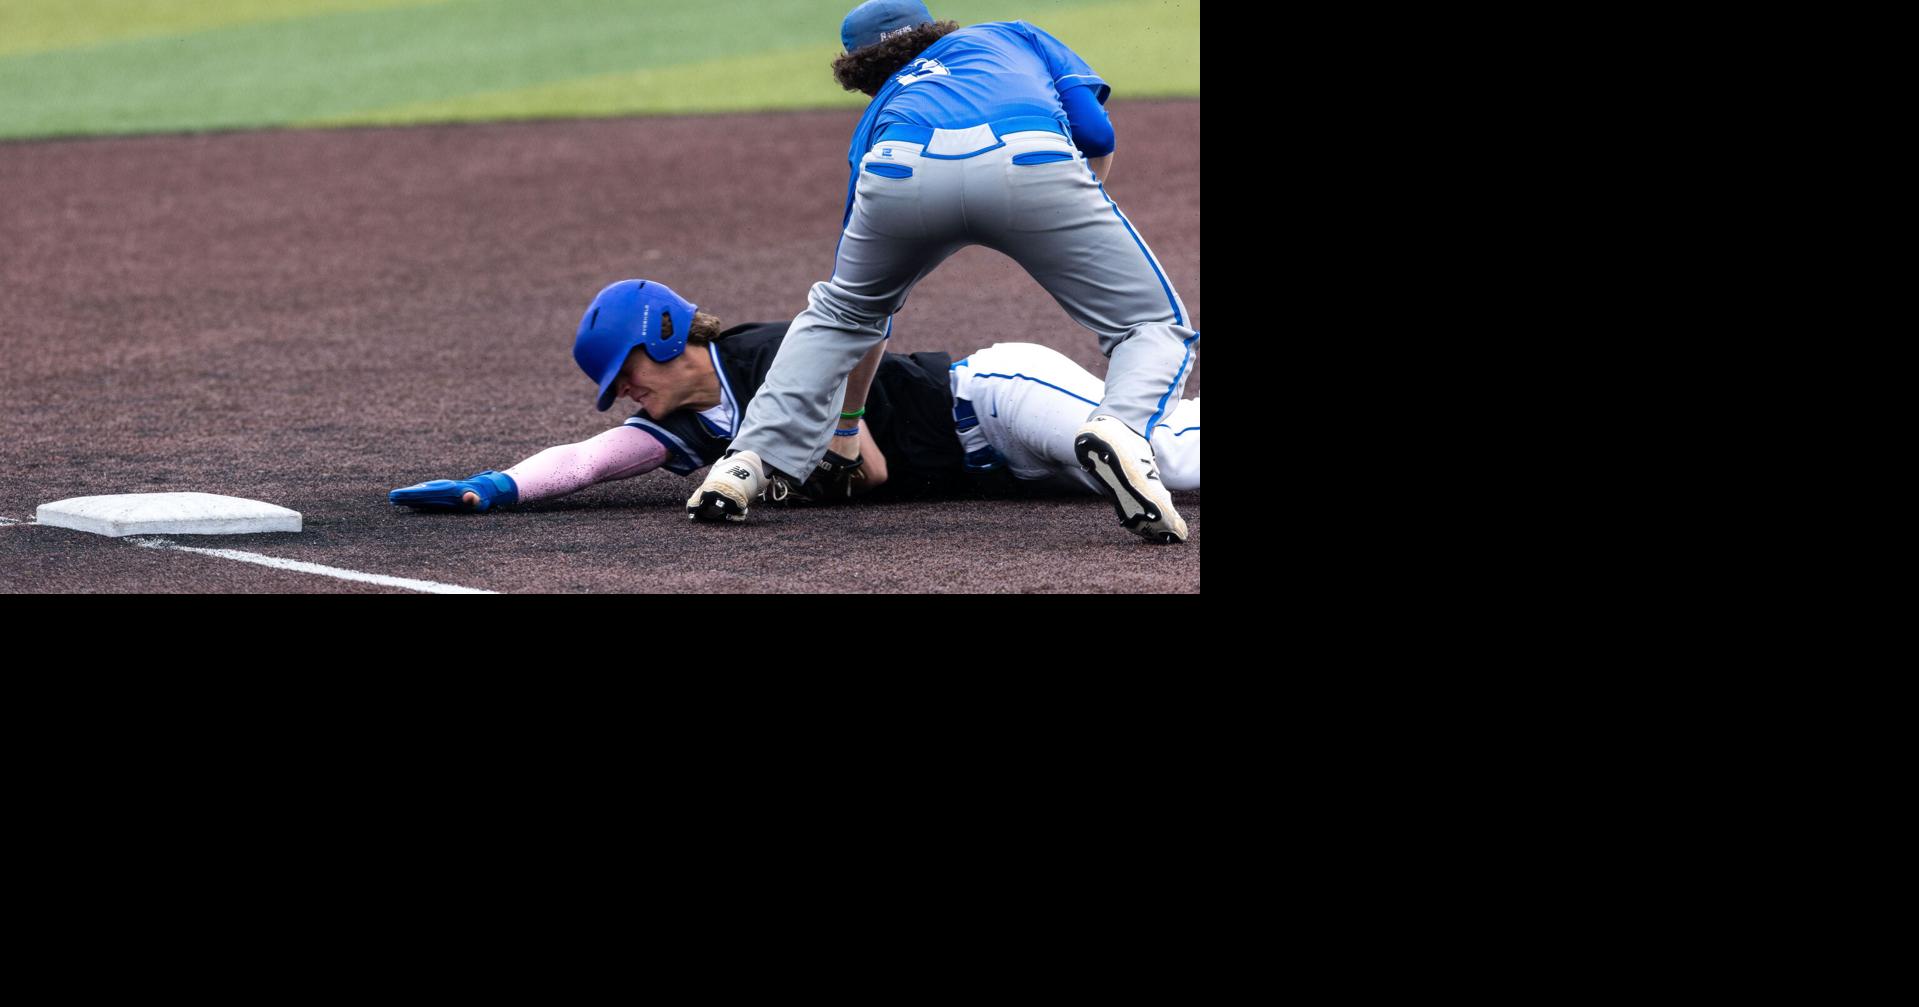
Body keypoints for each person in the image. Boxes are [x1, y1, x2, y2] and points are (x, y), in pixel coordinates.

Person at [685, 1, 1199, 544]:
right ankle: (1119, 426)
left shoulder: (880, 107)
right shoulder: (1011, 34)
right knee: (1148, 323)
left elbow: (859, 312)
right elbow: (1094, 133)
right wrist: (1078, 219)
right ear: (935, 28)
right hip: (1029, 161)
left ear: (862, 71)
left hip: (897, 166)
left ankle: (746, 462)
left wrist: (846, 423)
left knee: (839, 313)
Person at [388, 278, 1198, 534]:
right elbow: (593, 459)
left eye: (625, 370)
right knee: (1151, 462)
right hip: (1003, 472)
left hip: (993, 400)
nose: (622, 393)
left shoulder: (772, 354)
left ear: (666, 335)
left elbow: (868, 470)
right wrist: (495, 485)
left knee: (1158, 458)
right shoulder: (692, 421)